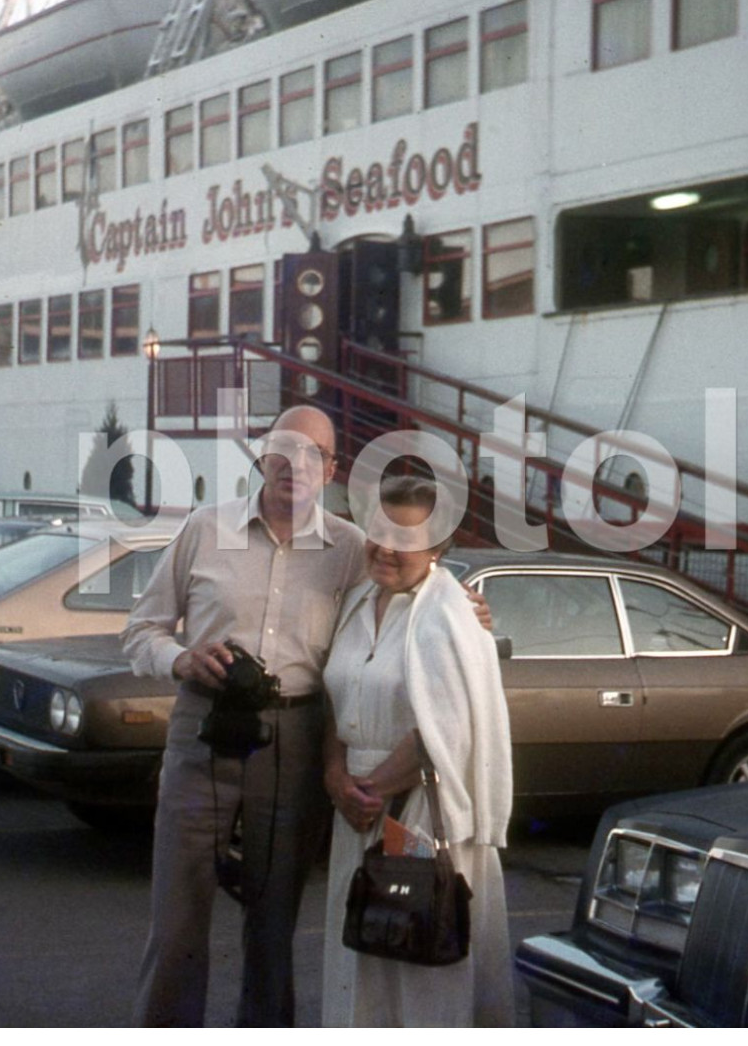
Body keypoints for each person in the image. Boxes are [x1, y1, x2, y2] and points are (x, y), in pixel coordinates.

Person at [124, 405, 365, 1027]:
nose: (297, 464)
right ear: (262, 455)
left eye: (314, 453)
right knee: (178, 912)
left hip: (297, 734)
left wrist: (468, 608)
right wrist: (180, 659)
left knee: (273, 915)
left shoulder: (350, 549)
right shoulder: (206, 528)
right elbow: (141, 629)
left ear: (332, 469)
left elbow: (408, 599)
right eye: (285, 448)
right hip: (203, 725)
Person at [320, 476, 514, 1027]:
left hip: (420, 812)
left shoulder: (449, 612)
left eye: (406, 540)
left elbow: (445, 729)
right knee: (361, 951)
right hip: (355, 809)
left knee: (419, 961)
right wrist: (337, 777)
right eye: (379, 532)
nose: (386, 549)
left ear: (438, 549)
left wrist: (370, 791)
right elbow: (337, 697)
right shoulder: (356, 601)